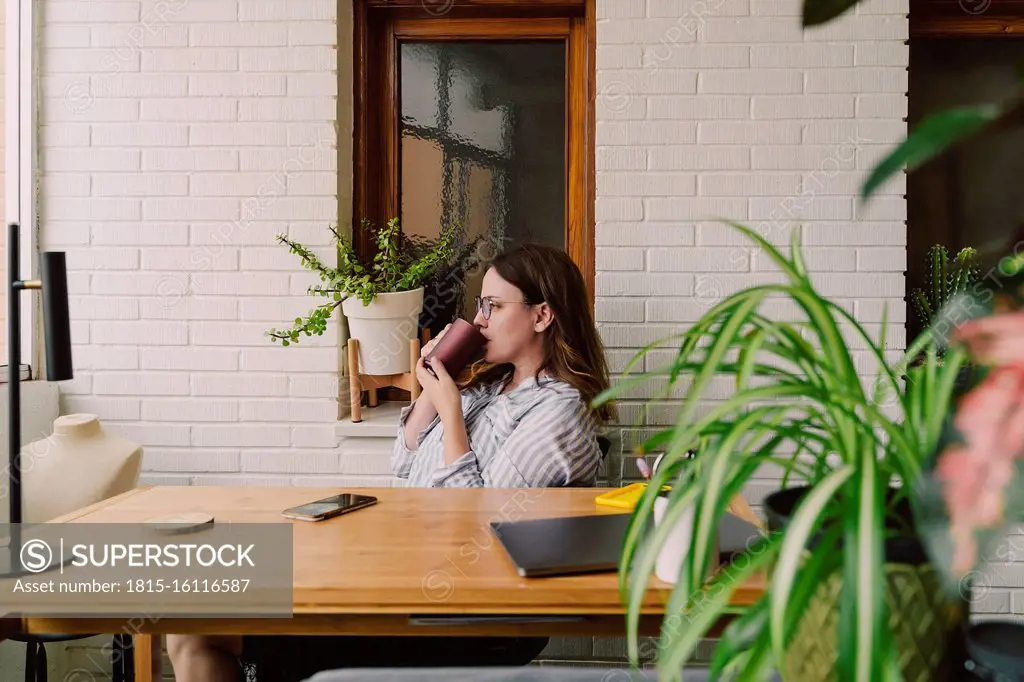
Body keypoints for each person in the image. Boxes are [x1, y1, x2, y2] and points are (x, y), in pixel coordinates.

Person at [166, 243, 614, 682]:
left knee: (203, 631)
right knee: (193, 622)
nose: (479, 320)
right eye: (480, 305)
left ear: (542, 315)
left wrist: (451, 411)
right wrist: (431, 382)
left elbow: (480, 524)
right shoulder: (488, 386)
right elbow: (404, 459)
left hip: (465, 611)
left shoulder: (559, 410)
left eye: (493, 306)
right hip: (410, 576)